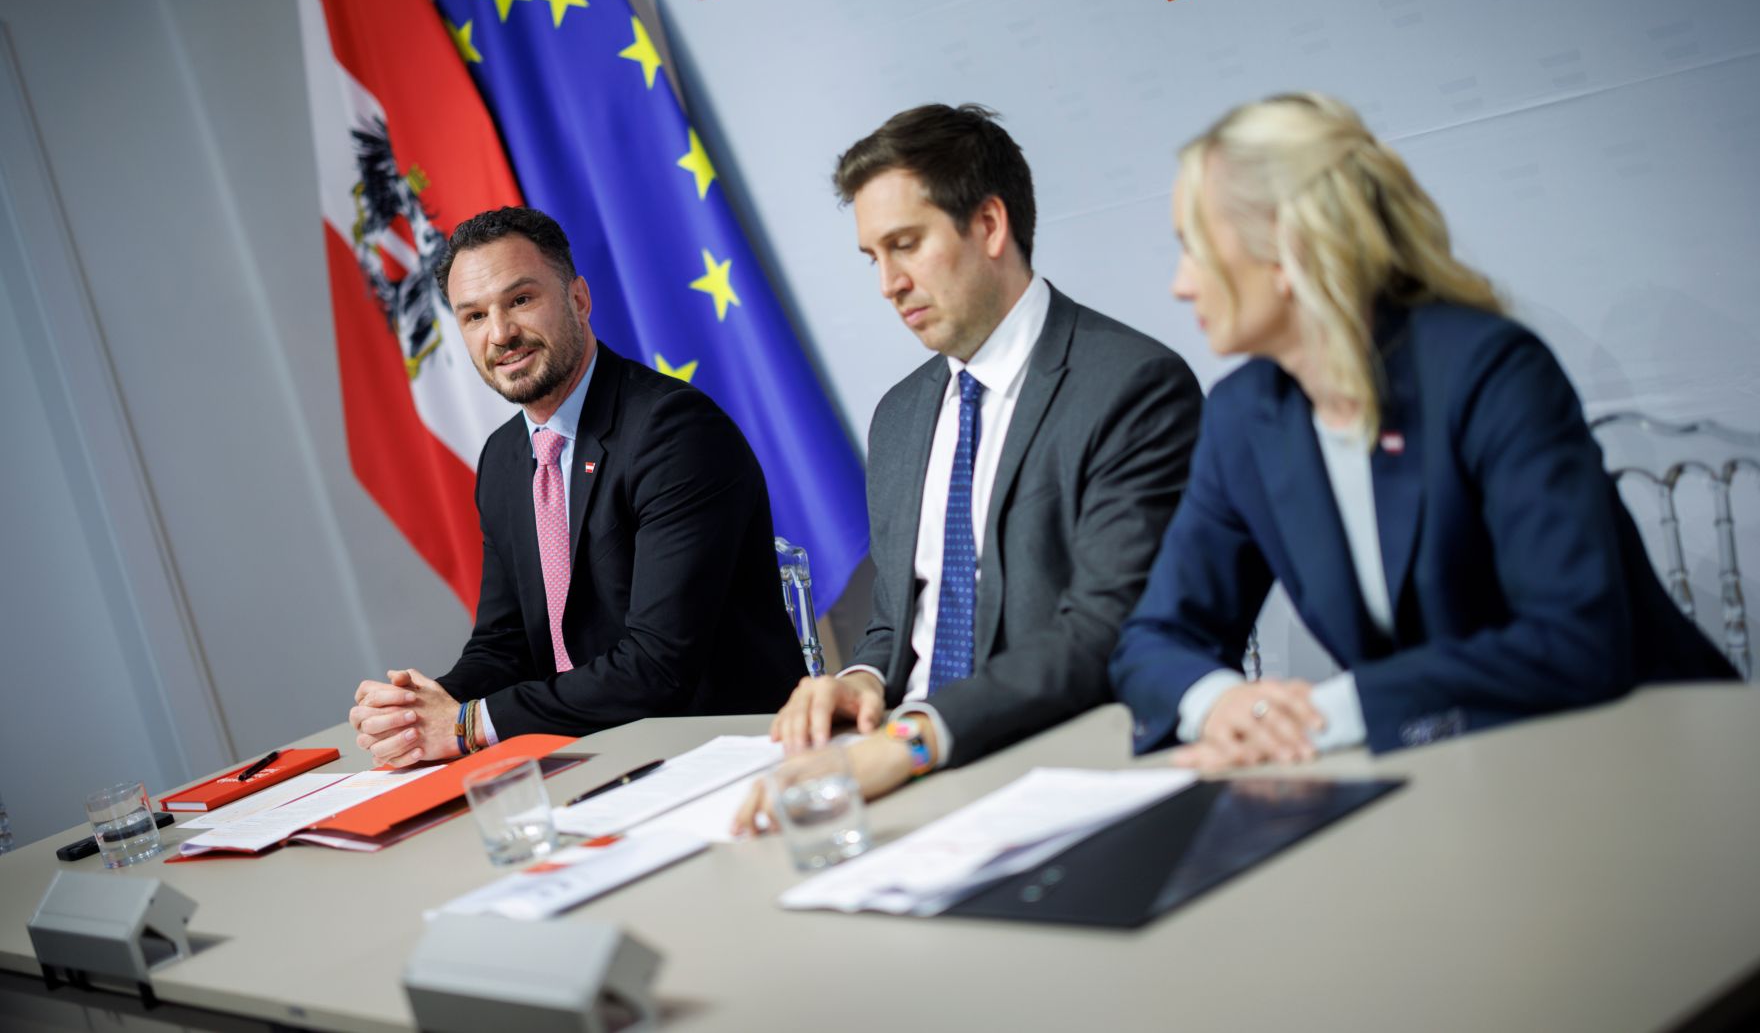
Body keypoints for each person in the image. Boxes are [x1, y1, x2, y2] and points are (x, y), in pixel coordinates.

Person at [1110, 92, 1738, 768]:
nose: (1180, 283)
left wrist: (1325, 716)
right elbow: (1153, 638)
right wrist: (1223, 703)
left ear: (1285, 248)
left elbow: (1573, 636)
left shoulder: (1490, 370)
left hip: (1657, 752)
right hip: (1469, 772)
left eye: (1193, 247)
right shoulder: (1243, 416)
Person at [735, 104, 1202, 832]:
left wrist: (913, 741)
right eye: (872, 257)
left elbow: (1104, 631)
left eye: (906, 245)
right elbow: (895, 621)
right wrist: (856, 682)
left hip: (1048, 768)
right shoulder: (899, 416)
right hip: (898, 764)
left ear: (988, 226)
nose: (887, 282)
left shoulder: (1131, 385)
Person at [349, 206, 802, 764]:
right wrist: (425, 709)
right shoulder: (504, 458)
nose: (501, 335)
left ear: (579, 299)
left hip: (715, 751)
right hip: (593, 753)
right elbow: (504, 642)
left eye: (520, 300)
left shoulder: (673, 431)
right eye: (473, 316)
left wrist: (468, 725)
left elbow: (657, 665)